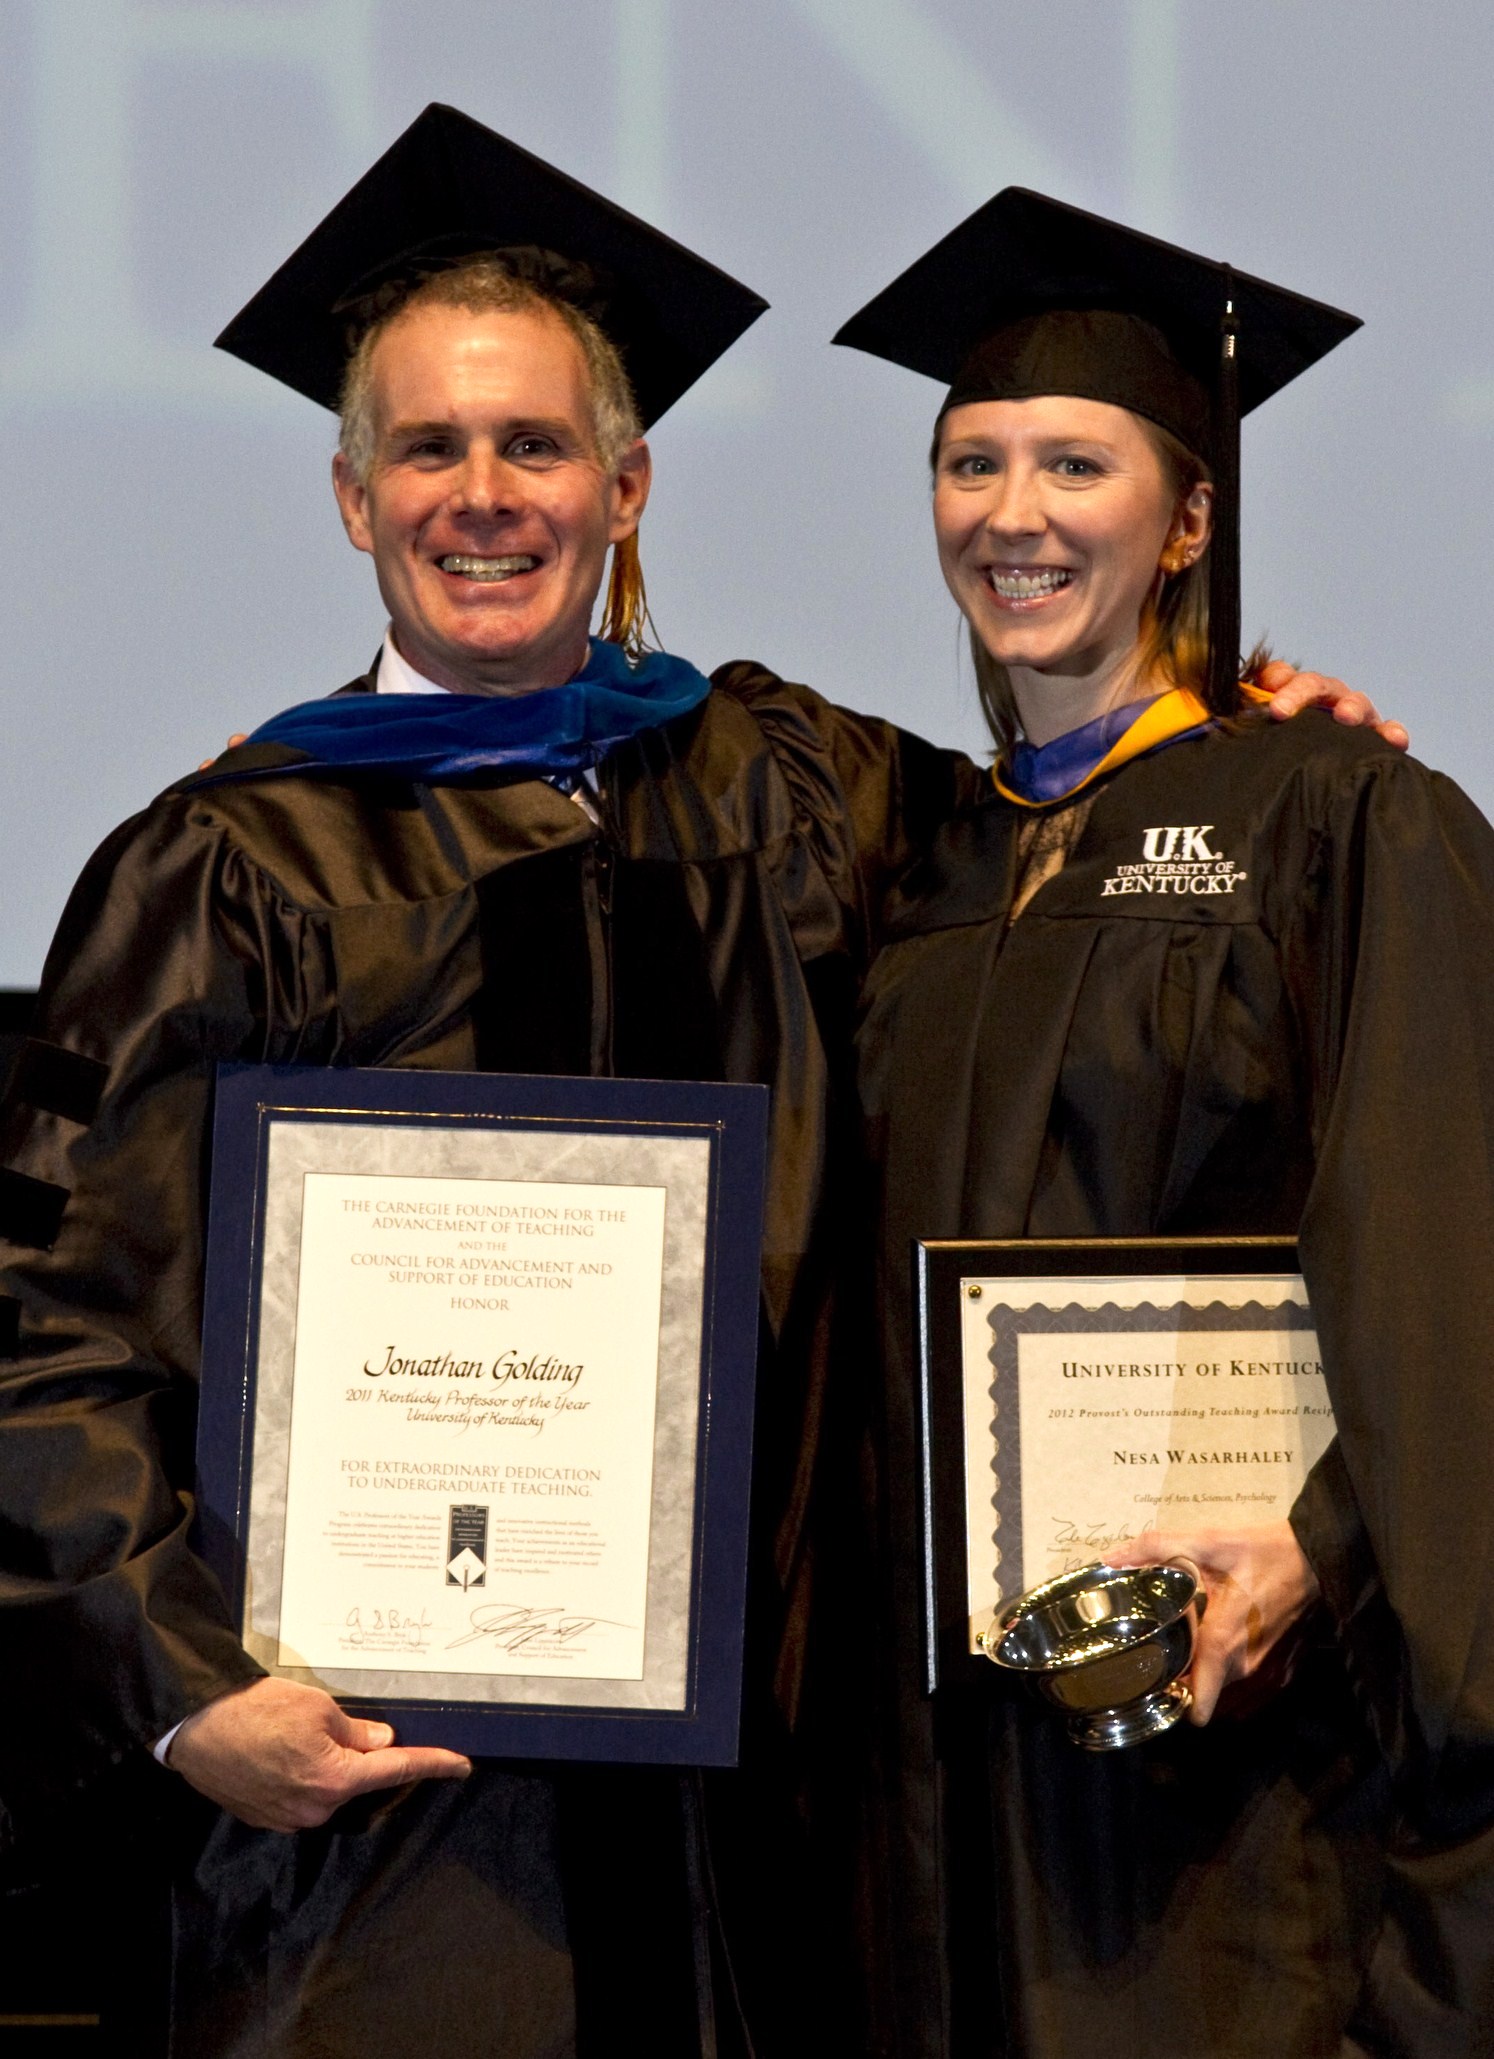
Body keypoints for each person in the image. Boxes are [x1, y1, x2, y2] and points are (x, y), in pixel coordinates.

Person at [0, 107, 1394, 2055]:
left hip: (752, 1830)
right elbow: (53, 1333)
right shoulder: (226, 863)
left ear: (627, 482)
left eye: (535, 444)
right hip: (366, 1840)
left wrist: (1248, 764)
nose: (483, 494)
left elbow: (1063, 865)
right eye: (427, 448)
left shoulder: (782, 788)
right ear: (350, 500)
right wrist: (177, 1686)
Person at [840, 190, 1494, 2057]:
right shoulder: (922, 856)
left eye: (1074, 464)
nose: (1010, 513)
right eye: (969, 464)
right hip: (952, 1756)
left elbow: (1444, 1261)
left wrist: (1324, 1541)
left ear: (1187, 520)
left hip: (1237, 1726)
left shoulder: (1338, 820)